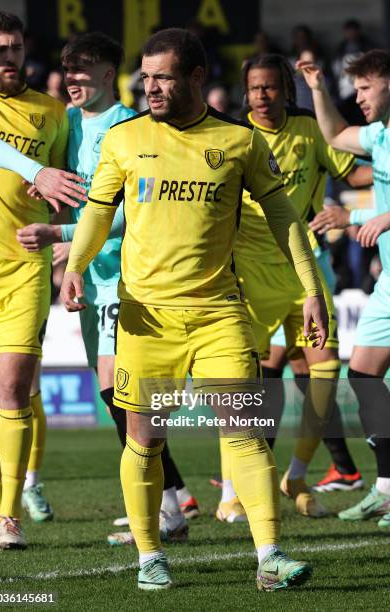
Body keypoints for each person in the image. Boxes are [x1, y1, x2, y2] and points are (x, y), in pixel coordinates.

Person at [61, 28, 328, 591]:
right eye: (146, 76)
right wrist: (77, 267)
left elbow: (286, 221)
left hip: (219, 314)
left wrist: (311, 290)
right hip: (145, 319)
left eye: (163, 77)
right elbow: (96, 213)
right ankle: (150, 556)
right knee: (145, 439)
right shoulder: (123, 139)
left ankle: (270, 556)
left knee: (245, 434)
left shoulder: (238, 142)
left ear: (197, 77)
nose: (150, 87)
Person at [16, 31, 198, 540]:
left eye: (84, 69)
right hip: (88, 281)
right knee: (114, 394)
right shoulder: (66, 122)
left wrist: (62, 235)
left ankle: (169, 506)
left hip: (126, 275)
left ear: (107, 74)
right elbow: (59, 181)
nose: (72, 78)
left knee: (126, 395)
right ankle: (173, 500)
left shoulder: (131, 128)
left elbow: (124, 213)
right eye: (67, 68)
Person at [217, 54, 370, 522]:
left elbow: (356, 174)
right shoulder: (232, 138)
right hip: (249, 273)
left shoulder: (309, 129)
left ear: (287, 89)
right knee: (243, 388)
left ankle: (297, 476)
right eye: (254, 89)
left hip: (304, 269)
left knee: (323, 375)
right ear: (245, 93)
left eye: (270, 88)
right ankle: (231, 494)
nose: (262, 97)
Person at [0, 10, 69, 550]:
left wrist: (65, 244)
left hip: (23, 266)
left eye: (13, 48)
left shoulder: (52, 113)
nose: (7, 58)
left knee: (13, 388)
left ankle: (10, 515)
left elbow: (69, 187)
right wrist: (31, 168)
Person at [298, 49, 390, 527]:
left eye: (366, 88)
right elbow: (333, 134)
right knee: (365, 377)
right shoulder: (378, 135)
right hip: (389, 282)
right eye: (354, 89)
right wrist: (316, 88)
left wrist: (358, 216)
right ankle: (385, 487)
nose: (358, 97)